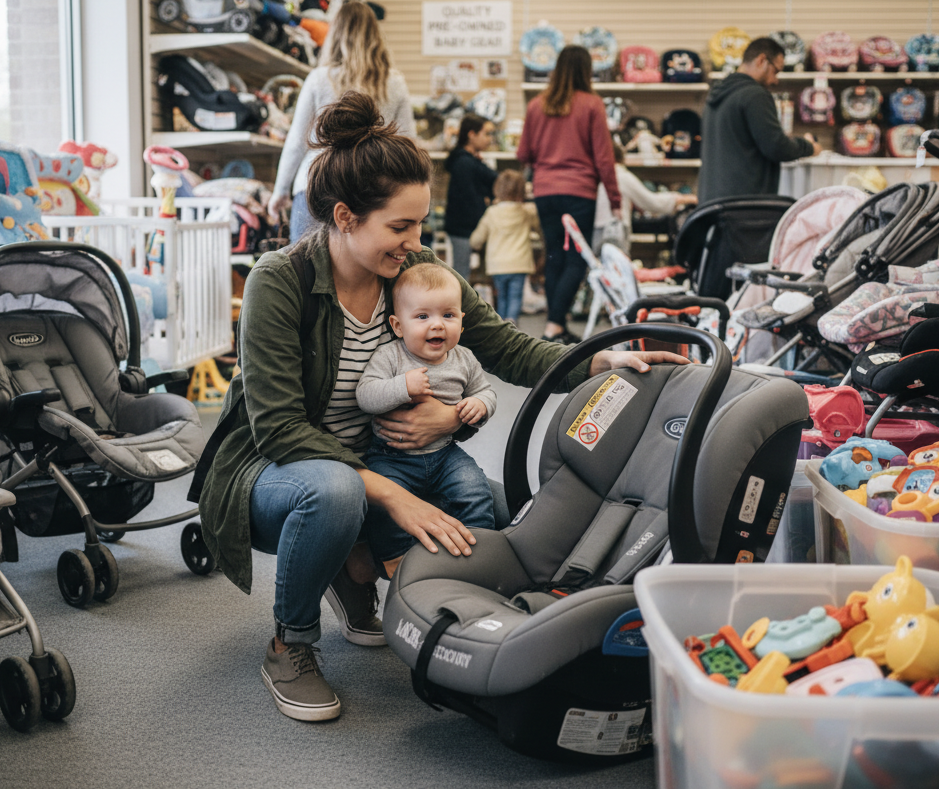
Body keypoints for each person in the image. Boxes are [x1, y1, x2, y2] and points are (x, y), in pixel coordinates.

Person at [195, 91, 687, 723]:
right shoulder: (279, 279)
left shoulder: (415, 269)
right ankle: (290, 643)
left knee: (505, 513)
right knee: (339, 494)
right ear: (345, 217)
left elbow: (503, 345)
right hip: (278, 471)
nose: (415, 241)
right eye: (399, 227)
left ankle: (356, 564)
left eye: (420, 224)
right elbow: (280, 428)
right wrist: (392, 496)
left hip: (381, 457)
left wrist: (599, 360)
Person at [356, 263, 496, 578]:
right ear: (398, 325)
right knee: (383, 504)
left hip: (445, 454)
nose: (437, 325)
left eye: (448, 315)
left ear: (462, 319)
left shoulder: (465, 359)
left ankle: (480, 548)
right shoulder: (390, 357)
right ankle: (396, 558)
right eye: (422, 317)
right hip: (392, 457)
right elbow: (366, 395)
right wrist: (401, 386)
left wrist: (478, 405)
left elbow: (486, 392)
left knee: (475, 489)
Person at [268, 0, 416, 242]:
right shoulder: (394, 83)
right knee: (361, 276)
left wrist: (280, 191)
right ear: (375, 35)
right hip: (371, 191)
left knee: (306, 273)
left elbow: (297, 142)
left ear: (335, 35)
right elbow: (408, 145)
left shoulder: (319, 79)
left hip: (315, 186)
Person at [517, 45, 621, 344]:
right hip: (580, 193)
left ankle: (557, 324)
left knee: (553, 258)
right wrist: (615, 199)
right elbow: (604, 158)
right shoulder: (591, 105)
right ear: (586, 71)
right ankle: (553, 325)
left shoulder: (537, 105)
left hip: (545, 192)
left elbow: (524, 152)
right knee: (577, 260)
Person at [699, 37, 822, 203]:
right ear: (762, 60)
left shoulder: (717, 95)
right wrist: (809, 147)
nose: (775, 80)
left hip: (712, 204)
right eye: (775, 71)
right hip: (744, 208)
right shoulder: (754, 95)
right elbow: (777, 147)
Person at [593, 140, 697, 253]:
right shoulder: (619, 175)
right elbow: (652, 202)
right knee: (615, 267)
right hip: (613, 230)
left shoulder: (593, 176)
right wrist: (685, 198)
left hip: (592, 230)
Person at [469, 169, 539, 324]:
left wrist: (475, 244)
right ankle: (512, 321)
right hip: (519, 263)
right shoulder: (527, 212)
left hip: (497, 265)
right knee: (515, 296)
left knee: (501, 296)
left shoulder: (492, 212)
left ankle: (502, 327)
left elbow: (477, 238)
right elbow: (539, 228)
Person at [442, 114, 497, 280]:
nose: (489, 139)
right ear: (472, 135)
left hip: (463, 227)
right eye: (486, 134)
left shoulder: (467, 161)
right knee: (461, 274)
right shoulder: (465, 163)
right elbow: (469, 197)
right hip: (465, 227)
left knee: (462, 272)